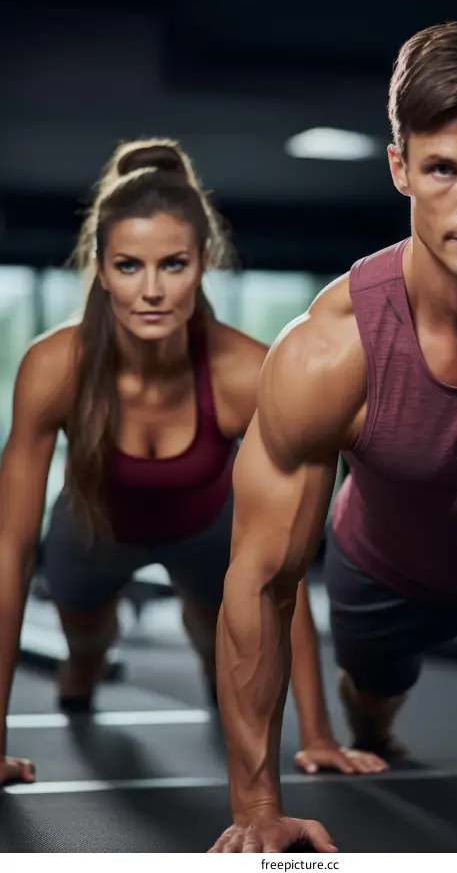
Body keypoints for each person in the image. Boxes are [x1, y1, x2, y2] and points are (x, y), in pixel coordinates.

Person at [208, 20, 457, 854]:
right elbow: (263, 584)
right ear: (400, 169)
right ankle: (384, 707)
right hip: (386, 569)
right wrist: (256, 808)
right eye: (443, 169)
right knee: (374, 712)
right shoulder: (329, 351)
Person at [0, 138, 386, 788]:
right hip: (93, 528)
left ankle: (196, 619)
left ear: (203, 262)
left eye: (173, 264)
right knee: (86, 649)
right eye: (129, 266)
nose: (152, 290)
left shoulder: (247, 373)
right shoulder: (54, 367)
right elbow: (9, 553)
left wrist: (319, 735)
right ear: (101, 268)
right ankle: (82, 667)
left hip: (208, 528)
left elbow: (286, 570)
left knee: (223, 654)